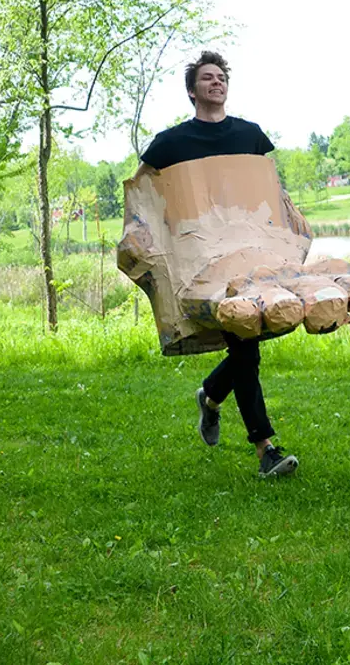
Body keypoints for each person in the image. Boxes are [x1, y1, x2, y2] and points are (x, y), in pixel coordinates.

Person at [139, 50, 298, 478]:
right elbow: (144, 189)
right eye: (207, 78)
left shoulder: (251, 136)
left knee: (246, 346)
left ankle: (210, 397)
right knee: (244, 349)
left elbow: (271, 188)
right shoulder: (172, 142)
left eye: (221, 76)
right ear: (192, 91)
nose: (217, 82)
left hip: (253, 257)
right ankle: (266, 448)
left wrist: (290, 220)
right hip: (206, 263)